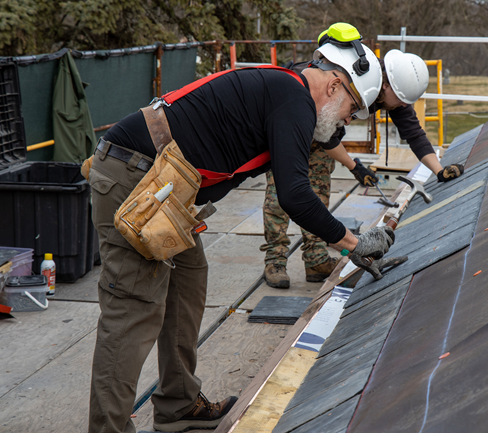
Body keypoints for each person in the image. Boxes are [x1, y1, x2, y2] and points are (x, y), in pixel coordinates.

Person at [86, 41, 392, 433]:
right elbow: (295, 195)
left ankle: (178, 406)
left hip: (160, 188)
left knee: (188, 281)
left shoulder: (290, 95)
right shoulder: (295, 101)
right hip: (136, 179)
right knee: (133, 309)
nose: (346, 121)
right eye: (352, 108)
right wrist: (354, 243)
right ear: (335, 86)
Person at [261, 24, 464, 289]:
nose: (402, 106)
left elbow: (414, 134)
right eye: (400, 100)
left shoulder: (394, 92)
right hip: (290, 126)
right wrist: (354, 165)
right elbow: (328, 137)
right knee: (281, 196)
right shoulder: (355, 78)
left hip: (322, 132)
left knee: (316, 198)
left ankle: (315, 259)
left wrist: (439, 170)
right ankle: (275, 260)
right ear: (385, 84)